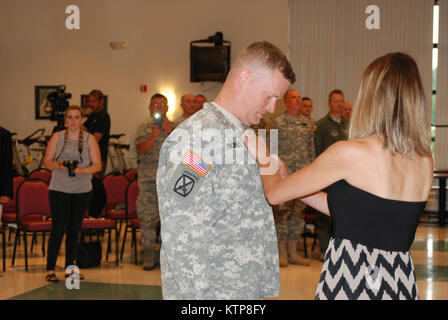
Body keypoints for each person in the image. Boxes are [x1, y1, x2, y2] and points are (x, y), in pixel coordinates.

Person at [246, 52, 433, 300]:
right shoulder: (425, 159)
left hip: (353, 277)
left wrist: (263, 158)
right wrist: (292, 178)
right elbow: (363, 218)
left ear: (372, 96)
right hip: (398, 279)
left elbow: (274, 194)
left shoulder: (351, 152)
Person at [157, 41, 295, 299]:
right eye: (269, 96)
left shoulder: (249, 137)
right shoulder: (198, 140)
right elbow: (183, 235)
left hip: (245, 290)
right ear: (244, 78)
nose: (272, 108)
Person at [43, 105, 102, 282]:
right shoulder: (57, 137)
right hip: (59, 189)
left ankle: (70, 269)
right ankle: (50, 269)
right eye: (70, 117)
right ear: (65, 119)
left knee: (74, 230)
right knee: (58, 229)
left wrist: (81, 170)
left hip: (82, 190)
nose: (73, 121)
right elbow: (47, 162)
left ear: (81, 119)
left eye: (77, 117)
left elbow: (98, 165)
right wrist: (60, 166)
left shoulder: (90, 139)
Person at [270, 89, 313, 267]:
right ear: (286, 102)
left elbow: (311, 150)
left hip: (302, 177)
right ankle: (282, 254)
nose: (297, 100)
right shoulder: (276, 122)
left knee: (297, 216)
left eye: (299, 98)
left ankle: (293, 252)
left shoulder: (307, 123)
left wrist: (312, 173)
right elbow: (270, 151)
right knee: (282, 215)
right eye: (293, 98)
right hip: (283, 177)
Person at [135, 93, 175, 270]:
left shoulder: (177, 127)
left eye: (162, 104)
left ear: (167, 108)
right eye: (155, 104)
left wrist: (171, 131)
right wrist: (153, 136)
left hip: (172, 181)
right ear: (150, 108)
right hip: (149, 180)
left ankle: (170, 256)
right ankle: (149, 255)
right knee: (148, 218)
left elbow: (187, 151)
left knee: (173, 220)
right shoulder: (143, 127)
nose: (159, 107)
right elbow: (141, 150)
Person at [313, 89, 348, 260]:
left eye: (342, 101)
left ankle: (340, 248)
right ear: (329, 103)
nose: (339, 105)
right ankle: (324, 249)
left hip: (347, 178)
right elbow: (317, 152)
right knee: (325, 215)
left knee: (343, 213)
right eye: (336, 101)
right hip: (326, 177)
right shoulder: (321, 126)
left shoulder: (349, 125)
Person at [83, 90, 110, 177]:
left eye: (94, 101)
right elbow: (84, 128)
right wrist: (76, 119)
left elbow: (95, 140)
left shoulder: (103, 116)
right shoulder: (93, 115)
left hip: (98, 158)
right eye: (90, 101)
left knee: (95, 186)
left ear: (101, 101)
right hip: (89, 157)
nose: (91, 104)